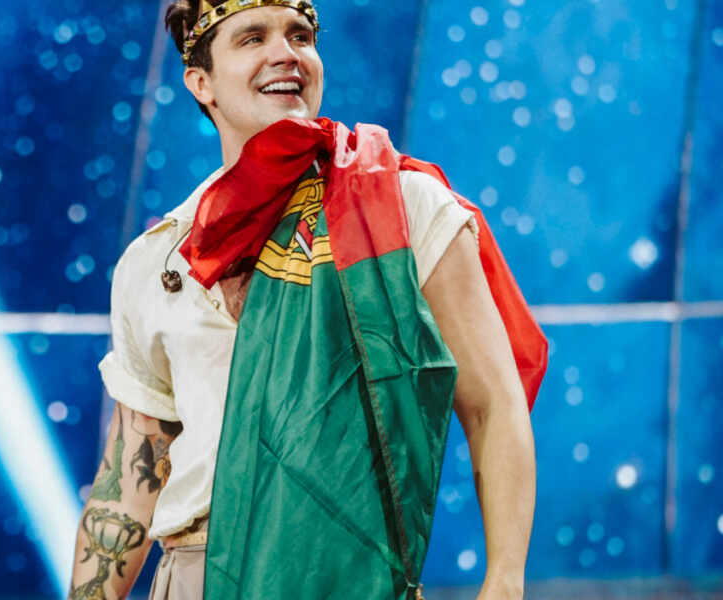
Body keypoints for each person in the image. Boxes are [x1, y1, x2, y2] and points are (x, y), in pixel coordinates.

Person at [69, 1, 545, 599]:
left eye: (300, 36)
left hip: (352, 573)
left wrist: (504, 582)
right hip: (193, 573)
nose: (285, 54)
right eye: (252, 38)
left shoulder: (401, 207)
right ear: (201, 82)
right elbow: (128, 484)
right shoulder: (156, 260)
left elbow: (493, 406)